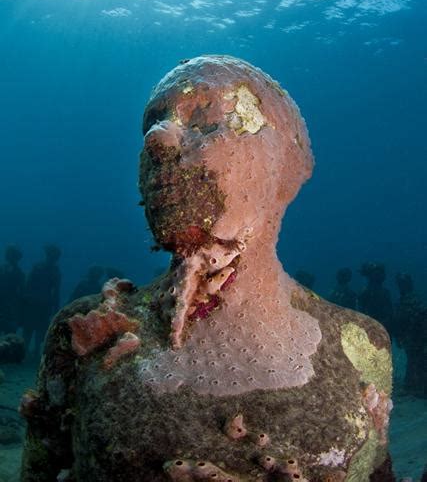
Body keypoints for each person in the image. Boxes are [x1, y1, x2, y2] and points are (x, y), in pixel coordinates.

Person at [21, 56, 395, 481]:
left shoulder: (364, 345)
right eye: (151, 124)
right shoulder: (84, 335)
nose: (156, 140)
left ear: (289, 162)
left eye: (203, 120)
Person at [22, 244, 61, 357]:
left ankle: (34, 351)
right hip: (35, 303)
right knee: (29, 327)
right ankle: (24, 349)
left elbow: (56, 291)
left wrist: (55, 308)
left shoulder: (54, 271)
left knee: (39, 328)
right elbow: (28, 284)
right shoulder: (40, 267)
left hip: (43, 304)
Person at [394, 272, 426, 397]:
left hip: (415, 336)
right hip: (413, 336)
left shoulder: (411, 300)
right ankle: (414, 384)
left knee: (416, 360)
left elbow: (404, 319)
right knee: (415, 360)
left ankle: (415, 385)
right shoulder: (411, 299)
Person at [358, 262, 394, 337]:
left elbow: (360, 311)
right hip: (379, 328)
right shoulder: (385, 292)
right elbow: (390, 313)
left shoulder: (365, 292)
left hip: (371, 328)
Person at [0, 245, 25, 334]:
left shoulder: (19, 273)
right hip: (8, 304)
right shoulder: (3, 269)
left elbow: (22, 291)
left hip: (11, 305)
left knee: (9, 330)